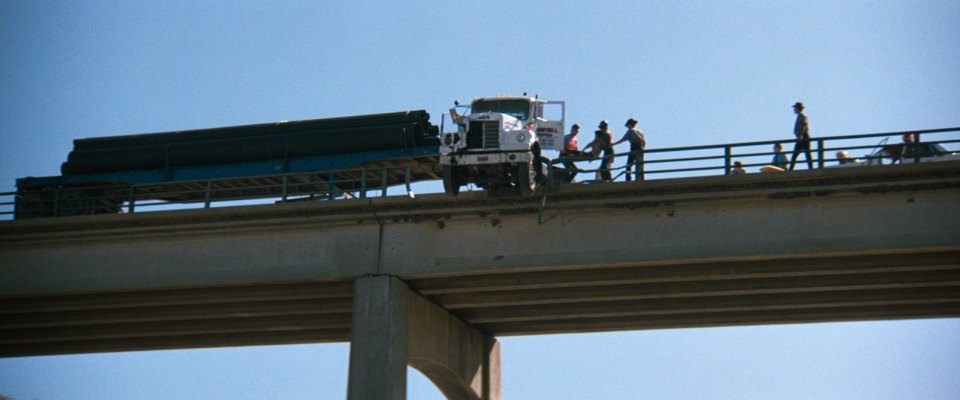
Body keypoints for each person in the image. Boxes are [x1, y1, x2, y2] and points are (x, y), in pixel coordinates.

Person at [789, 101, 813, 170]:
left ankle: (810, 168)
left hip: (804, 136)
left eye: (795, 108)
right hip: (800, 136)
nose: (794, 109)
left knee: (806, 154)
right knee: (798, 154)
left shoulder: (803, 116)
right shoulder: (800, 116)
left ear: (798, 108)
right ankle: (791, 169)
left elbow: (804, 125)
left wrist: (801, 135)